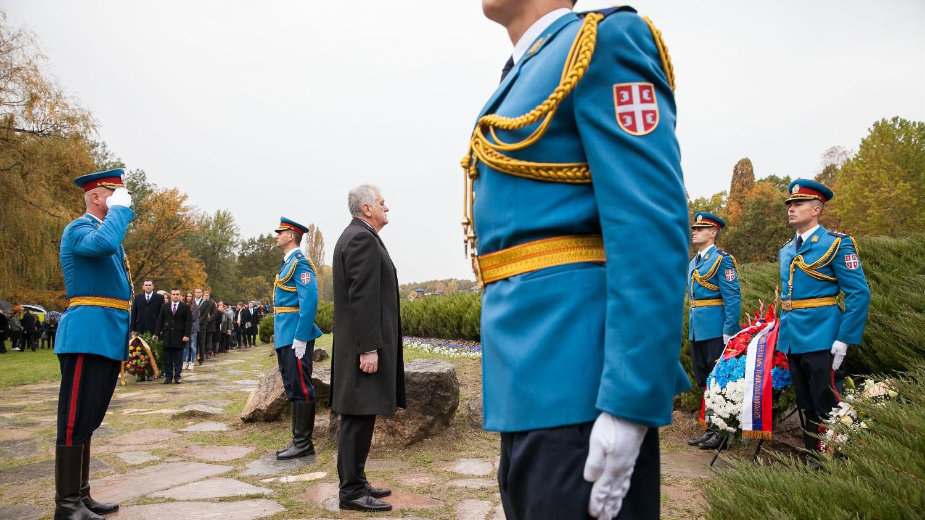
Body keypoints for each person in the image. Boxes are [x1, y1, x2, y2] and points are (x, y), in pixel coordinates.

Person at [461, 2, 689, 518]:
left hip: (581, 378)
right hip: (525, 378)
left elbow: (649, 222)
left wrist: (630, 401)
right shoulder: (523, 70)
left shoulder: (602, 41)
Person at [53, 168, 134, 519]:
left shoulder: (104, 231)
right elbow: (102, 245)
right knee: (73, 418)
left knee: (89, 417)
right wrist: (120, 212)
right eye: (112, 193)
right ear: (96, 197)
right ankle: (66, 504)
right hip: (86, 332)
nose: (119, 200)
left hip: (106, 333)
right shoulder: (79, 228)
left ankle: (81, 495)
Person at [778, 179, 870, 462]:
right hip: (793, 336)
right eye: (790, 204)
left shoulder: (836, 244)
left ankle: (834, 462)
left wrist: (844, 337)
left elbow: (858, 293)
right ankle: (812, 460)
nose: (791, 209)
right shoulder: (786, 249)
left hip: (823, 335)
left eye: (798, 204)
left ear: (816, 209)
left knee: (827, 402)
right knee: (805, 402)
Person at [332, 185, 406, 513]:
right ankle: (350, 491)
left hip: (361, 344)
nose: (386, 207)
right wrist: (369, 349)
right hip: (362, 347)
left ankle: (357, 480)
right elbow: (362, 298)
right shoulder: (361, 239)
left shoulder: (361, 235)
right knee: (356, 417)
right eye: (381, 202)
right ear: (366, 208)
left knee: (362, 415)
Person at [686, 212, 741, 450]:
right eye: (694, 228)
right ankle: (710, 429)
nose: (694, 231)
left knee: (719, 381)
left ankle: (722, 433)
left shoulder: (722, 259)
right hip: (698, 329)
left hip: (716, 329)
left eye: (701, 228)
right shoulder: (693, 262)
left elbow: (732, 296)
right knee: (704, 380)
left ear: (713, 232)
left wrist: (729, 330)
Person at [270, 217, 323, 460]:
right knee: (292, 386)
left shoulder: (300, 264)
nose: (276, 235)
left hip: (294, 335)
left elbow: (309, 301)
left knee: (301, 386)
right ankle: (298, 441)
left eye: (280, 232)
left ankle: (303, 443)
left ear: (291, 235)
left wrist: (301, 338)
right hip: (285, 333)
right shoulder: (287, 263)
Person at [155, 289, 192, 384]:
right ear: (170, 295)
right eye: (173, 294)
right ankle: (168, 377)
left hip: (180, 335)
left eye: (177, 294)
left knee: (178, 358)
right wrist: (156, 333)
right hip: (167, 336)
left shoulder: (185, 307)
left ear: (180, 296)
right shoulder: (165, 306)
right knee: (168, 358)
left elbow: (188, 322)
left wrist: (187, 335)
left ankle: (177, 376)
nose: (175, 296)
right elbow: (160, 320)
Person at [183, 291, 198, 369]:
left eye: (190, 296)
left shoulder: (195, 306)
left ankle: (192, 362)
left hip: (192, 328)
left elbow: (193, 318)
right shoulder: (183, 305)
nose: (188, 298)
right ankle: (184, 361)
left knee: (192, 346)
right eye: (187, 296)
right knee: (185, 346)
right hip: (184, 328)